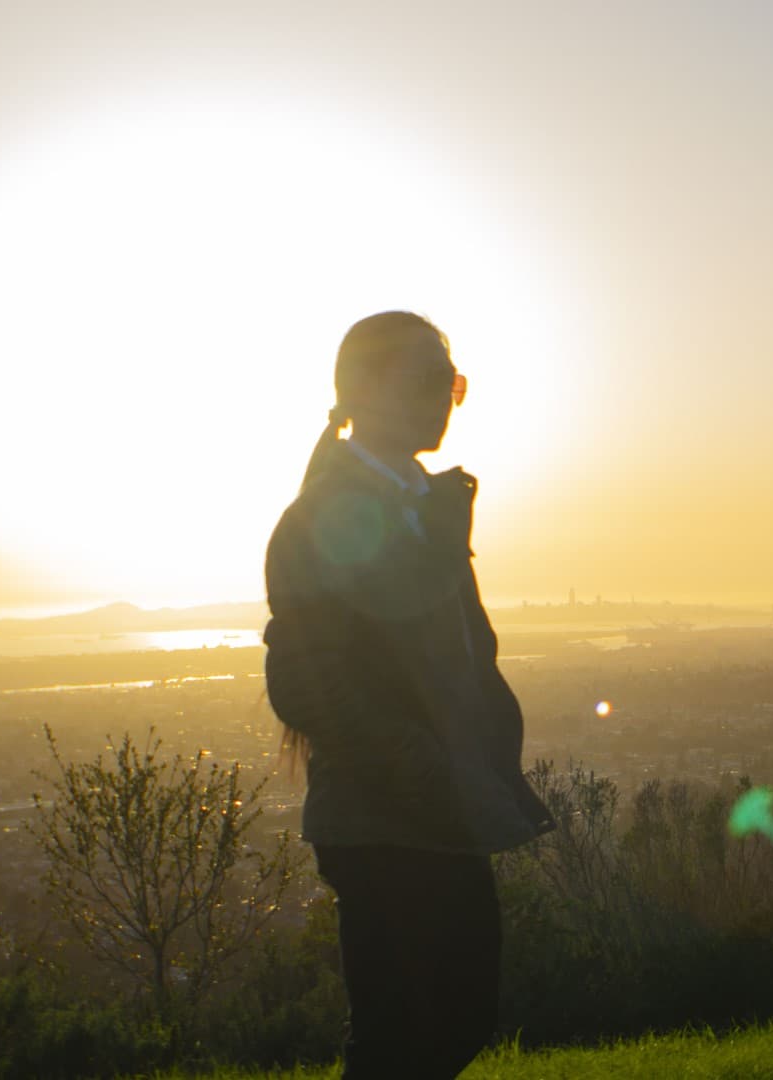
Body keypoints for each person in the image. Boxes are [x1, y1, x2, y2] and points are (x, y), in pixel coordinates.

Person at [262, 311, 556, 1079]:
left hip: (433, 803)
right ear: (361, 389)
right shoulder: (324, 516)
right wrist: (418, 764)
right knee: (402, 1037)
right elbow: (302, 679)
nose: (446, 398)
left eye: (452, 382)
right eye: (428, 379)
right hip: (381, 816)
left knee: (456, 1020)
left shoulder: (422, 502)